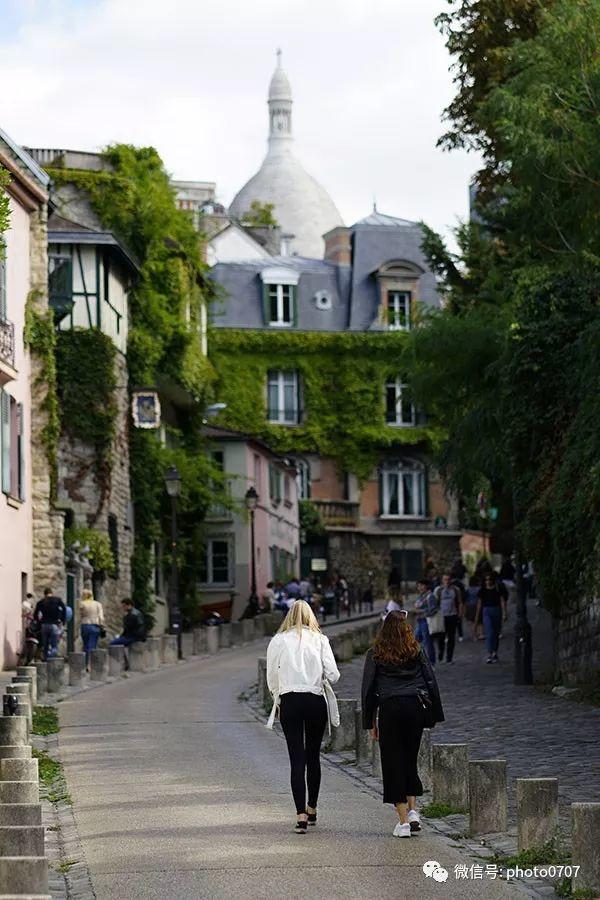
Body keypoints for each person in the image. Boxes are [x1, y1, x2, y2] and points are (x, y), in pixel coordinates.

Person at [361, 612, 444, 838]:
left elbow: (368, 690)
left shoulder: (375, 654)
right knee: (409, 759)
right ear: (406, 628)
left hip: (390, 708)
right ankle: (413, 810)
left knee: (392, 763)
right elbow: (430, 681)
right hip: (415, 707)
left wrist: (370, 721)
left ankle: (403, 821)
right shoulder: (415, 651)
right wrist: (435, 714)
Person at [266, 600, 340, 833]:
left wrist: (278, 696)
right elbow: (334, 675)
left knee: (296, 758)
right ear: (311, 617)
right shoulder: (320, 640)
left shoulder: (278, 641)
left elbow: (271, 677)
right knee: (313, 756)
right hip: (314, 699)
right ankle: (312, 807)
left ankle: (300, 815)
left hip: (290, 700)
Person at [475, 573, 508, 663]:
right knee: (489, 633)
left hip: (497, 611)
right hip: (486, 611)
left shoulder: (498, 588)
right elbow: (479, 604)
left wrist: (505, 613)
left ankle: (495, 652)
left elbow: (502, 601)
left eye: (489, 579)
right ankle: (489, 653)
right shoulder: (482, 590)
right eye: (486, 580)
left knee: (496, 633)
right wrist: (477, 616)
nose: (488, 582)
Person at [433, 573, 461, 663]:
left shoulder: (456, 590)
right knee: (441, 637)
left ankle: (449, 658)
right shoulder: (438, 590)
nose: (447, 581)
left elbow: (460, 602)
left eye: (448, 579)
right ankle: (441, 654)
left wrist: (460, 613)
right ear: (442, 580)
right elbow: (434, 603)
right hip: (442, 616)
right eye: (445, 579)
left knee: (451, 637)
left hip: (453, 615)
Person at [110, 599, 146, 669]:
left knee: (113, 644)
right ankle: (125, 662)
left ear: (129, 605)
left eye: (124, 606)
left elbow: (130, 628)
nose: (123, 608)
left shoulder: (133, 615)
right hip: (133, 635)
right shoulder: (134, 613)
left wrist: (124, 636)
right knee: (117, 641)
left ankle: (124, 662)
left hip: (133, 636)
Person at [34, 588, 66, 661]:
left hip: (44, 625)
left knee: (45, 646)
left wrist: (39, 623)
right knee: (54, 646)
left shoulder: (41, 602)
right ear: (51, 593)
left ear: (44, 594)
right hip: (54, 625)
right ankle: (50, 657)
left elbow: (35, 614)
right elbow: (64, 609)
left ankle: (46, 661)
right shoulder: (57, 600)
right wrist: (62, 620)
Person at [79, 588, 105, 664]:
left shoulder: (82, 604)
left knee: (85, 645)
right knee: (93, 646)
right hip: (95, 626)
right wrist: (102, 626)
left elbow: (79, 615)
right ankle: (91, 664)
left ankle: (86, 663)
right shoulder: (98, 604)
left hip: (85, 625)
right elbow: (101, 617)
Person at [413, 581, 436, 664]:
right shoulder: (421, 596)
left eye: (421, 586)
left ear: (426, 586)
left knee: (428, 642)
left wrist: (420, 611)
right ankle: (418, 660)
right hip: (419, 621)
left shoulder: (430, 596)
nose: (419, 588)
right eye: (418, 586)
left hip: (426, 621)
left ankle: (431, 662)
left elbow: (432, 610)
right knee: (415, 639)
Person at [464, 575, 481, 641]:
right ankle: (480, 634)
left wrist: (464, 610)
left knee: (471, 622)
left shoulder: (468, 589)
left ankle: (474, 635)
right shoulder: (479, 589)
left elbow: (465, 600)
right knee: (479, 621)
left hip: (469, 606)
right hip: (477, 605)